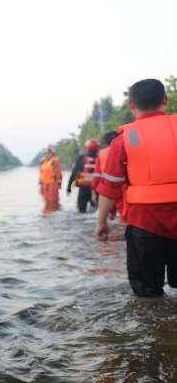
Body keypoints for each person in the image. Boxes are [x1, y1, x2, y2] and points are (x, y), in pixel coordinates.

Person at [96, 78, 177, 297]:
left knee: (147, 294)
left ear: (131, 105)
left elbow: (110, 188)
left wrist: (102, 222)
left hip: (145, 223)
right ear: (165, 100)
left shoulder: (123, 140)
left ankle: (157, 330)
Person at [92, 130, 122, 220]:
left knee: (108, 217)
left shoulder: (101, 153)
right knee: (122, 217)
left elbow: (97, 177)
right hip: (123, 190)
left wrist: (94, 191)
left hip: (107, 191)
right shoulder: (125, 149)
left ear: (105, 142)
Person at [66, 138, 99, 213]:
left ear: (86, 148)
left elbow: (74, 173)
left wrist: (69, 187)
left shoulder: (81, 158)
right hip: (96, 190)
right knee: (95, 212)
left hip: (83, 189)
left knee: (81, 211)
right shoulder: (100, 158)